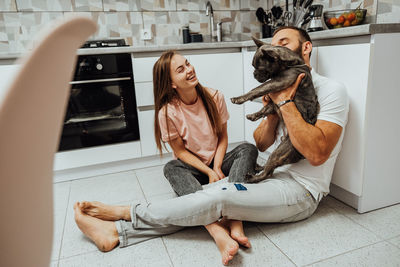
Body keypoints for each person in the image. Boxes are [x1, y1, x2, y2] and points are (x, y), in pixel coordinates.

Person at [74, 26, 349, 266]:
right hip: (270, 174)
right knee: (211, 196)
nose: (273, 50)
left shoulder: (331, 90)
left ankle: (125, 213)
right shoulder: (279, 89)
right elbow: (262, 144)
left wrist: (286, 103)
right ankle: (118, 234)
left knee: (218, 198)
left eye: (283, 43)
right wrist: (275, 109)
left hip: (301, 192)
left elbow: (316, 155)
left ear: (306, 47)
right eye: (272, 44)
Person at [152, 50, 258, 263]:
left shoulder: (214, 96)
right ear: (171, 83)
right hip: (194, 167)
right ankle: (215, 230)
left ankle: (234, 217)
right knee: (171, 167)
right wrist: (208, 171)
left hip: (217, 161)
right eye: (180, 70)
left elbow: (223, 137)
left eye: (188, 64)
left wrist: (217, 166)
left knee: (247, 148)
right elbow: (180, 152)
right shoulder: (166, 112)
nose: (189, 70)